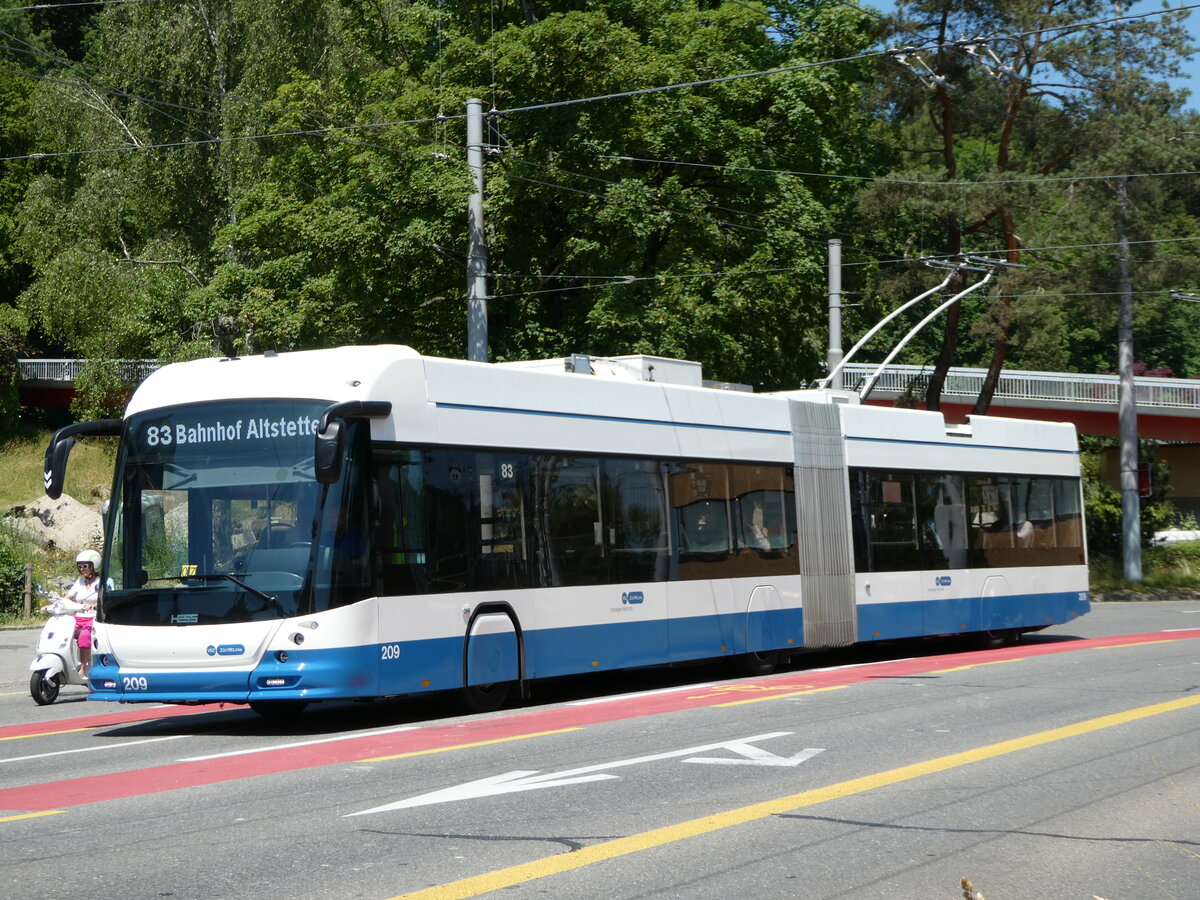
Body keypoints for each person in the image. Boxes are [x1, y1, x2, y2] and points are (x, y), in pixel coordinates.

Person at [65, 549, 102, 676]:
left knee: (84, 635)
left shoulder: (102, 582)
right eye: (80, 566)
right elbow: (68, 597)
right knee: (62, 631)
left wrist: (95, 605)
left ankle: (82, 668)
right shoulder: (79, 582)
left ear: (94, 565)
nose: (82, 569)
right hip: (78, 616)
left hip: (93, 618)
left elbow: (107, 598)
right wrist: (56, 604)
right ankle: (65, 663)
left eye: (85, 566)